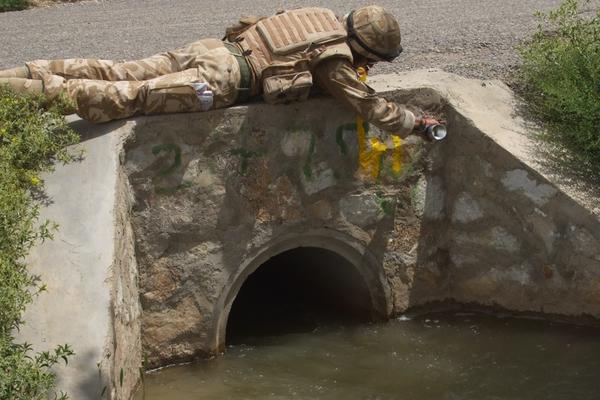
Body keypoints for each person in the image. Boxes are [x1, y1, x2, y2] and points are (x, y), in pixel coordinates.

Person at [0, 5, 439, 136]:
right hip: (220, 81)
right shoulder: (335, 59)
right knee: (124, 98)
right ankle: (17, 96)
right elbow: (367, 105)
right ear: (365, 48)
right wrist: (415, 123)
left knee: (119, 71)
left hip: (213, 50)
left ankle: (19, 72)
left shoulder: (318, 16)